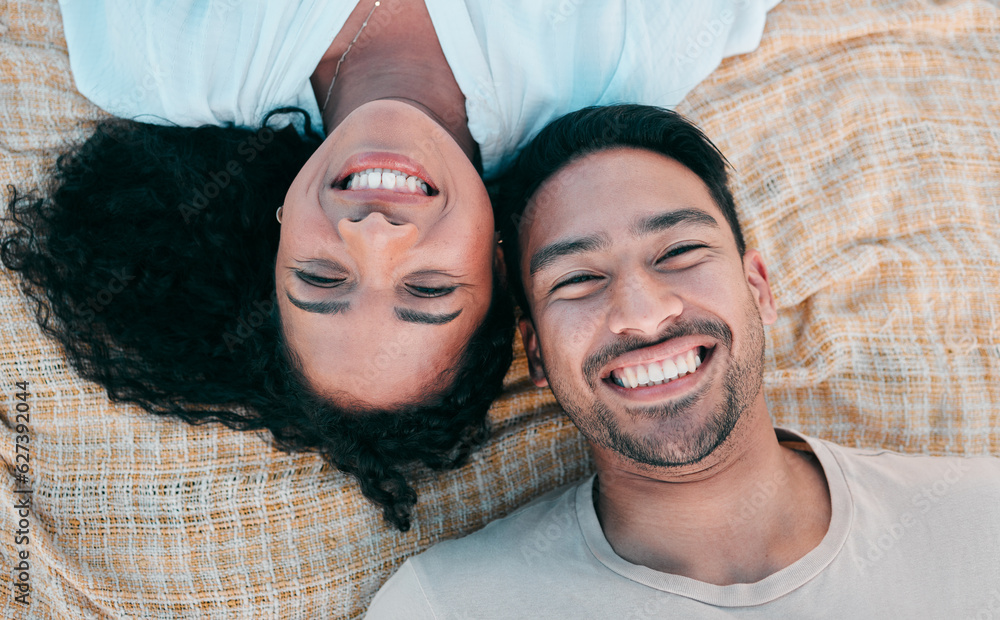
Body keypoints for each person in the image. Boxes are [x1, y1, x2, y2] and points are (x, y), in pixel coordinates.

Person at [1, 1, 778, 530]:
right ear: (501, 268)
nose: (372, 235)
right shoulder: (629, 51)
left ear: (277, 240)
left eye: (321, 279)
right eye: (429, 288)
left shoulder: (155, 60)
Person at [364, 105, 1000, 617]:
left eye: (679, 251)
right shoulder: (446, 606)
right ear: (534, 350)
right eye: (579, 279)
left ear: (758, 289)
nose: (641, 313)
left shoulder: (982, 526)